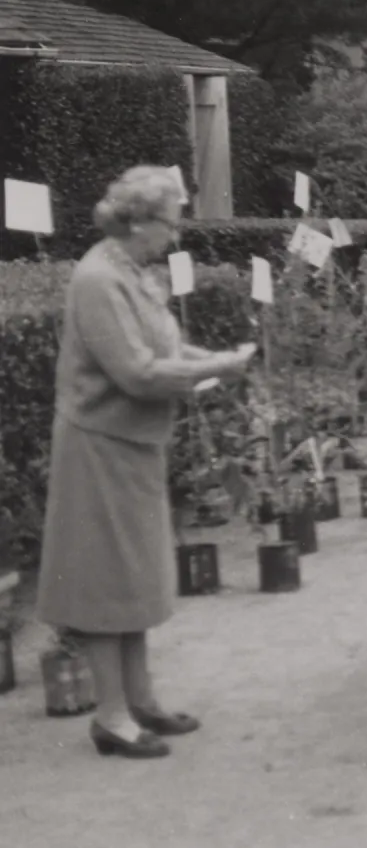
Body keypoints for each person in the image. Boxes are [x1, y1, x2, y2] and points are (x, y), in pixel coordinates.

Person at [35, 166, 256, 759]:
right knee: (109, 582)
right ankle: (111, 718)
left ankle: (140, 700)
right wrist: (216, 369)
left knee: (134, 577)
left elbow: (163, 348)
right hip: (99, 445)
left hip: (131, 444)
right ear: (139, 220)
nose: (175, 236)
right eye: (171, 223)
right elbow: (135, 372)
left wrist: (212, 357)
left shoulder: (132, 272)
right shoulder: (98, 280)